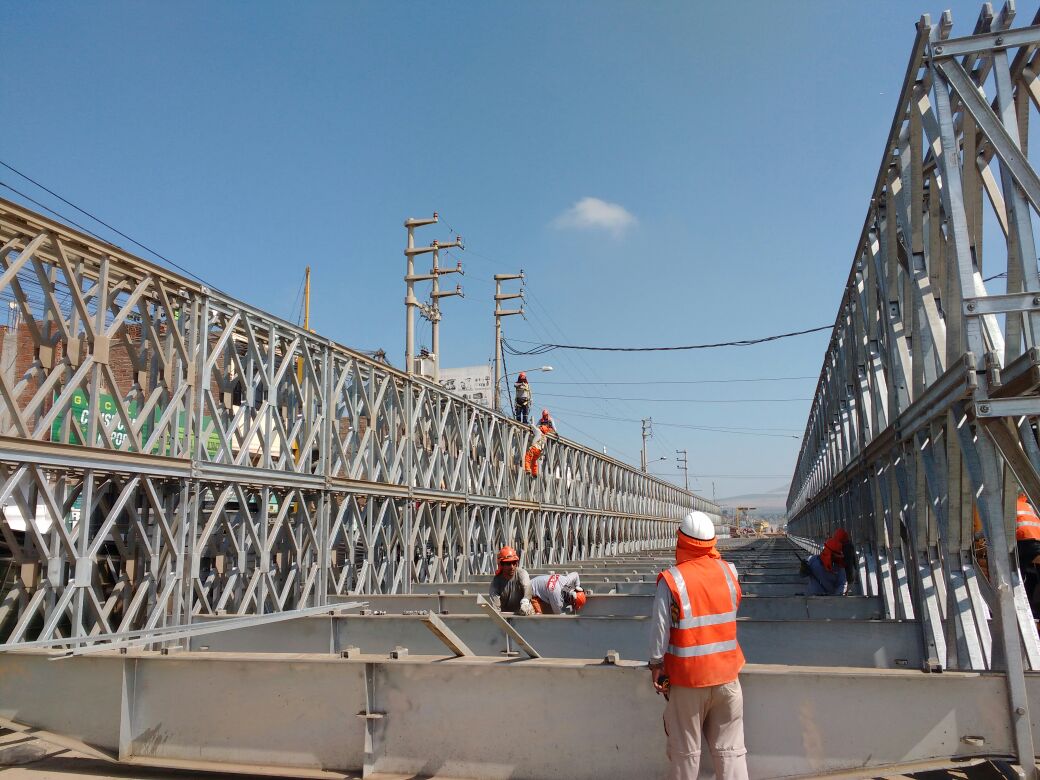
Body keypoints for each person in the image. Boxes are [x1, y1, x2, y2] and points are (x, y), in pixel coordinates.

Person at [649, 510, 748, 780]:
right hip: (728, 678)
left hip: (688, 681)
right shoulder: (730, 573)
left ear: (681, 541)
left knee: (685, 755)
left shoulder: (672, 579)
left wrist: (656, 665)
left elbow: (660, 628)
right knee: (731, 753)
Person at [805, 528, 854, 596]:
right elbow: (802, 574)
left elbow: (842, 583)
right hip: (813, 598)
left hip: (829, 600)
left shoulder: (839, 567)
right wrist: (804, 570)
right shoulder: (813, 560)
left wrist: (836, 597)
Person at [488, 546, 534, 615]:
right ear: (501, 565)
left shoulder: (521, 573)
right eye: (508, 563)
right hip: (505, 616)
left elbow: (527, 587)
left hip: (523, 614)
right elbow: (495, 607)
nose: (512, 567)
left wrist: (525, 601)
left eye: (514, 563)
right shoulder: (496, 582)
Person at [1016, 493, 1040, 617]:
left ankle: (1022, 608)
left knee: (1016, 574)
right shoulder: (1029, 507)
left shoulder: (1011, 505)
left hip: (1024, 541)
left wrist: (977, 536)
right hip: (1038, 540)